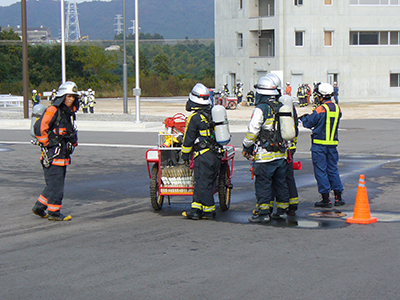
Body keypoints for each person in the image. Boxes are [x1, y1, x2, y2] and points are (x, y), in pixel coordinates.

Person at [242, 76, 290, 223]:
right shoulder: (281, 106)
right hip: (281, 154)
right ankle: (281, 211)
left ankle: (264, 213)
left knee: (263, 184)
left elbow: (253, 131)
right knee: (280, 183)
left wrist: (246, 146)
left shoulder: (261, 108)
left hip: (265, 155)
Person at [31, 81, 80, 221]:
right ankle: (54, 213)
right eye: (69, 96)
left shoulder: (67, 113)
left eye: (73, 97)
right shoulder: (53, 110)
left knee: (53, 184)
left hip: (62, 155)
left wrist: (73, 142)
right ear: (62, 96)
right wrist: (47, 144)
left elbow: (69, 132)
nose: (71, 99)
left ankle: (39, 207)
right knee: (57, 186)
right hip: (53, 155)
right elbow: (40, 128)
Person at [181, 83, 222, 220]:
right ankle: (196, 209)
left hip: (203, 156)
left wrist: (184, 155)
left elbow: (188, 139)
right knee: (203, 182)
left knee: (203, 183)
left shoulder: (195, 118)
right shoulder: (213, 113)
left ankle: (209, 211)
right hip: (215, 155)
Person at [300, 82, 344, 208]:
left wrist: (303, 118)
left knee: (321, 171)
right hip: (332, 145)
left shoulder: (320, 109)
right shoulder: (337, 108)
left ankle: (326, 199)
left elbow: (309, 123)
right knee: (333, 170)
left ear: (321, 96)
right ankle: (338, 197)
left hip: (319, 145)